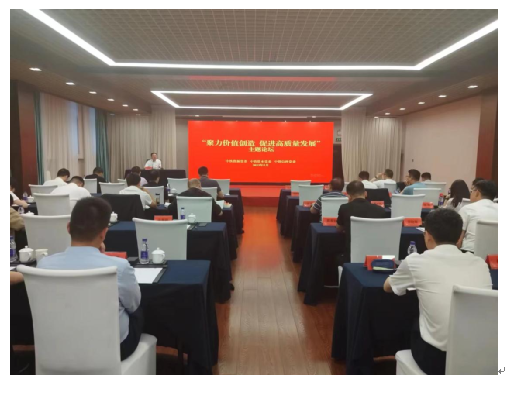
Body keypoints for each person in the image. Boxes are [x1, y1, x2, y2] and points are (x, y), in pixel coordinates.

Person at [384, 209, 492, 375]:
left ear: (427, 236)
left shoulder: (416, 261)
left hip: (437, 360)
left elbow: (387, 287)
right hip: (482, 357)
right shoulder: (480, 264)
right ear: (460, 237)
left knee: (413, 319)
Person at [38, 197, 142, 361]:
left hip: (58, 346)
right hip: (111, 349)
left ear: (68, 228)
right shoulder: (119, 267)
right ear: (104, 233)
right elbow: (133, 305)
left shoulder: (44, 265)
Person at [336, 181, 386, 262]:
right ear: (365, 193)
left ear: (349, 196)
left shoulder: (345, 208)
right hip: (375, 257)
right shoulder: (380, 210)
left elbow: (339, 228)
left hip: (351, 256)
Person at [458, 180, 498, 253]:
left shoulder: (467, 209)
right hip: (496, 255)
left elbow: (458, 240)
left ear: (477, 192)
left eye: (472, 191)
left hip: (470, 252)